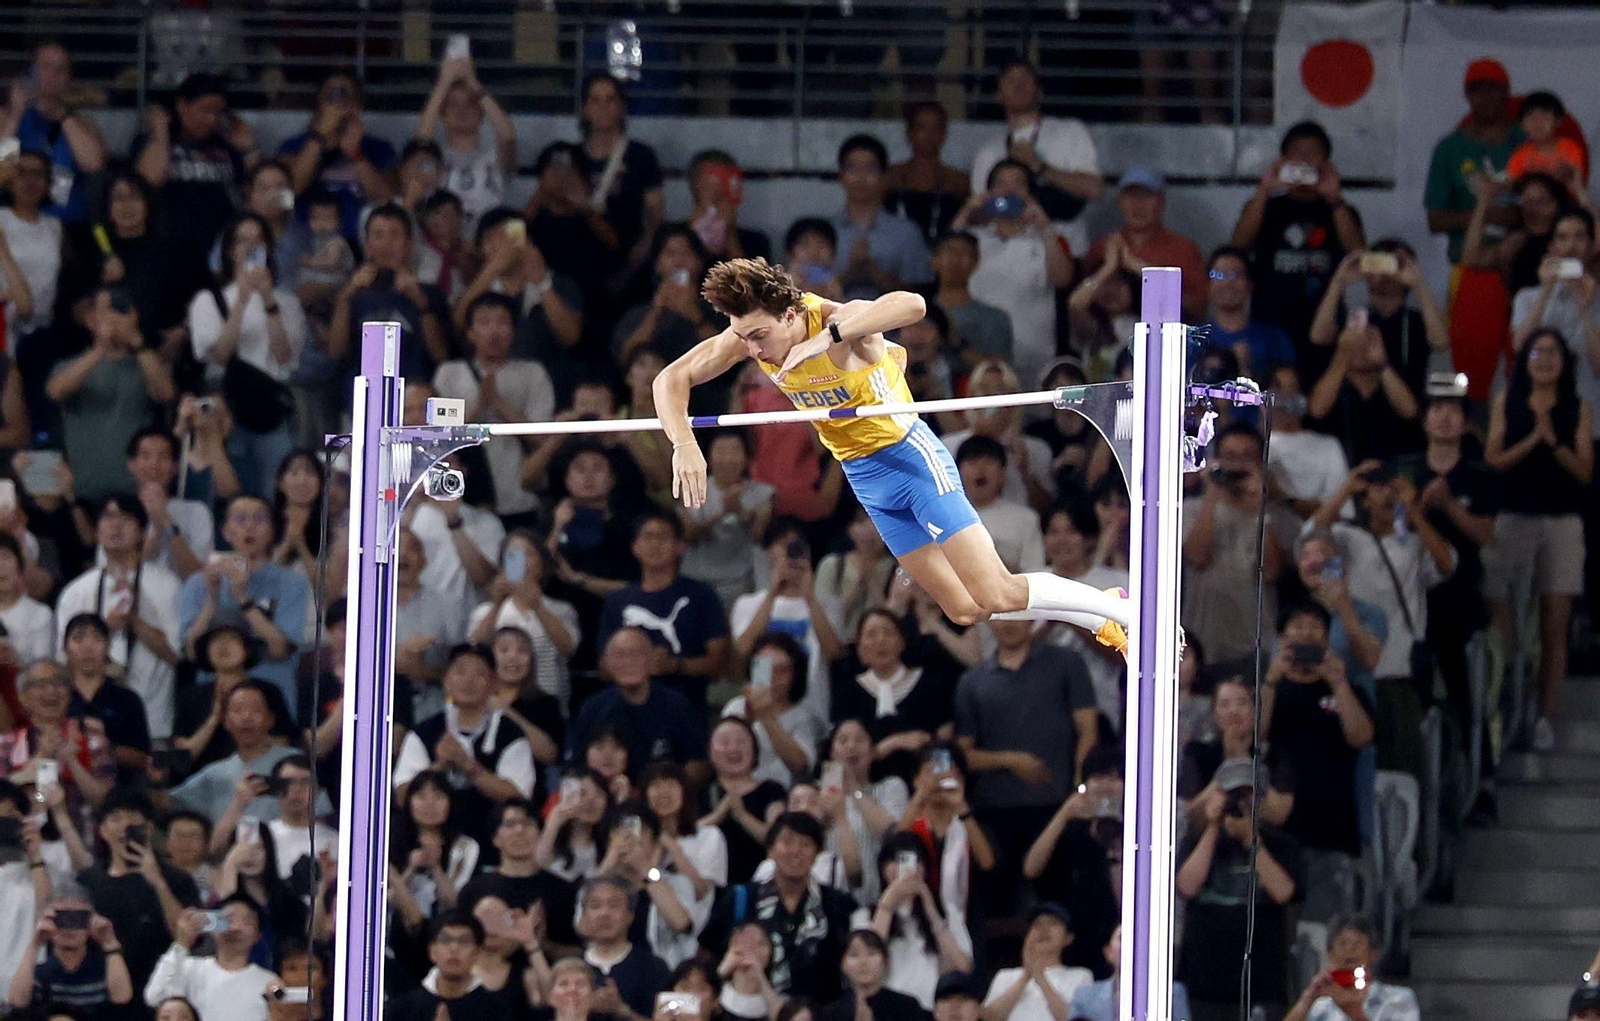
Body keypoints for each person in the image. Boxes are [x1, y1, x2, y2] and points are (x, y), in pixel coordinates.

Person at [658, 259, 1132, 656]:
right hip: (865, 478)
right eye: (743, 337)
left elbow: (913, 305)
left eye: (758, 334)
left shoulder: (839, 319)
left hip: (912, 459)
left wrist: (830, 336)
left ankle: (1119, 611)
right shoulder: (748, 338)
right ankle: (1103, 609)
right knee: (967, 609)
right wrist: (684, 443)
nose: (752, 349)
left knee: (997, 591)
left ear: (788, 314)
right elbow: (670, 380)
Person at [1485, 328, 1594, 751]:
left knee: (1555, 620)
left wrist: (1555, 443)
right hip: (1514, 516)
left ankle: (1545, 716)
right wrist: (1534, 437)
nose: (1544, 359)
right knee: (1500, 610)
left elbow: (1584, 469)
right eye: (1537, 351)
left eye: (1552, 352)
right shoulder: (1507, 403)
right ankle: (1508, 693)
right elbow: (1494, 458)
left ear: (1564, 362)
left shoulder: (1578, 407)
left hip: (1561, 519)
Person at [955, 618, 1096, 906]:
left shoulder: (1066, 663)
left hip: (1055, 805)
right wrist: (1010, 760)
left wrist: (1079, 785)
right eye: (1000, 615)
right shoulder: (973, 680)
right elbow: (962, 756)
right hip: (994, 811)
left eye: (1017, 613)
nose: (1009, 623)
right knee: (996, 907)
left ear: (1033, 617)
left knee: (1060, 906)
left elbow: (1088, 728)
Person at [1262, 603, 1373, 920]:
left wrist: (1338, 683)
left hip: (1332, 832)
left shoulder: (1347, 689)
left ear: (1327, 638)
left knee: (1324, 931)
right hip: (1278, 836)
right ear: (1282, 638)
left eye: (1314, 627)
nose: (1305, 633)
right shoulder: (1271, 690)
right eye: (1296, 626)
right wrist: (1271, 679)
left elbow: (1361, 737)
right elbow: (1255, 738)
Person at [188, 212, 309, 497]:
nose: (251, 247)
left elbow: (284, 356)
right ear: (230, 250)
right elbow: (219, 354)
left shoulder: (287, 303)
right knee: (226, 490)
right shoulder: (209, 300)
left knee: (274, 489)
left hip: (270, 408)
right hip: (226, 406)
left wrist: (268, 300)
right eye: (243, 240)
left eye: (259, 240)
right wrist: (241, 301)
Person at [1230, 121, 1365, 366]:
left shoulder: (1340, 210)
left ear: (1326, 162)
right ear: (1282, 160)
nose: (1304, 160)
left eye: (1313, 153)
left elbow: (1359, 257)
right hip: (1270, 323)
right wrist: (1265, 189)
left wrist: (1334, 197)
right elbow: (1237, 246)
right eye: (1297, 154)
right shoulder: (1267, 207)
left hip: (1324, 325)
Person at [54, 495, 183, 743]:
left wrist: (135, 620)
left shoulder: (167, 585)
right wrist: (104, 630)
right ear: (98, 531)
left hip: (152, 718)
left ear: (142, 532)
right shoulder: (76, 591)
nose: (115, 526)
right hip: (87, 721)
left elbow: (176, 656)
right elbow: (62, 660)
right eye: (108, 518)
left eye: (125, 519)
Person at [1175, 771, 1299, 1021]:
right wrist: (1212, 826)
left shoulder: (1282, 844)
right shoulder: (1196, 840)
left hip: (1261, 986)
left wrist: (1252, 841)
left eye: (1247, 797)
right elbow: (1186, 886)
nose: (1238, 805)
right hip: (1203, 985)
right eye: (1232, 796)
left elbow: (1283, 892)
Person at [179, 493, 313, 712]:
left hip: (271, 699)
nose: (249, 526)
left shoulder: (291, 583)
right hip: (213, 701)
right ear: (225, 531)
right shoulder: (200, 582)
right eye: (240, 519)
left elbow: (280, 649)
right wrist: (212, 601)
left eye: (259, 520)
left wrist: (243, 598)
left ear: (272, 531)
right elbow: (192, 652)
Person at [45, 287, 179, 503]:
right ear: (91, 320)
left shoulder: (146, 363)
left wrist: (137, 340)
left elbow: (166, 394)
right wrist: (101, 348)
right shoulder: (69, 365)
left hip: (139, 494)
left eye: (122, 310)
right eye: (109, 310)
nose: (116, 318)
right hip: (84, 493)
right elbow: (55, 391)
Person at [705, 813, 856, 1004]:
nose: (796, 851)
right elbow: (708, 955)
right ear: (771, 850)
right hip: (750, 1010)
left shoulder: (838, 904)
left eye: (805, 845)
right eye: (787, 842)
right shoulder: (740, 898)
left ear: (817, 854)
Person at [951, 162, 1075, 390]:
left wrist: (1044, 227)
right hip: (979, 354)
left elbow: (1063, 280)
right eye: (1001, 184)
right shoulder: (972, 240)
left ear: (1031, 193)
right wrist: (967, 212)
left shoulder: (1047, 241)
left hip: (1033, 353)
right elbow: (946, 265)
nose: (1009, 190)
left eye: (1018, 183)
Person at [434, 292, 557, 520]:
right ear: (470, 332)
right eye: (484, 322)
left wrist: (500, 405)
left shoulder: (533, 374)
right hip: (465, 496)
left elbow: (543, 438)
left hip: (520, 494)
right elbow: (438, 440)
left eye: (502, 322)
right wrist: (477, 407)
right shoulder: (448, 374)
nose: (493, 331)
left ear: (513, 330)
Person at [597, 511, 730, 709]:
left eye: (664, 537)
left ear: (681, 547)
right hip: (627, 708)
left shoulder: (701, 595)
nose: (655, 545)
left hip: (687, 706)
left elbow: (718, 663)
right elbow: (603, 665)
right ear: (634, 547)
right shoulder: (618, 601)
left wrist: (674, 665)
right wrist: (636, 665)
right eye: (648, 537)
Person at [968, 60, 1103, 255]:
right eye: (1010, 80)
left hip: (1067, 248)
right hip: (1009, 256)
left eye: (1025, 79)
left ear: (1039, 90)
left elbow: (1095, 190)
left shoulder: (1070, 131)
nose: (1018, 85)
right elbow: (979, 211)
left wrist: (1039, 167)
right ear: (998, 94)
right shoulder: (988, 152)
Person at [1183, 424, 1291, 663]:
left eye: (1247, 457)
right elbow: (1197, 557)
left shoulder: (1275, 515)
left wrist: (1259, 509)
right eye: (1230, 457)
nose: (1238, 464)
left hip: (1255, 645)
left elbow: (1272, 571)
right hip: (1203, 645)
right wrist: (1212, 492)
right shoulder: (1191, 510)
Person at [78, 790, 202, 994]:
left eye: (133, 818)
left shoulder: (176, 878)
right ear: (102, 830)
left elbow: (189, 936)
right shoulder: (90, 881)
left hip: (164, 988)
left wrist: (158, 882)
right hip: (105, 990)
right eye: (115, 818)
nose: (125, 826)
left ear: (149, 828)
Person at [131, 73, 244, 292]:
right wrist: (161, 131)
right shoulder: (155, 142)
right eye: (204, 110)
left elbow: (244, 193)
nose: (212, 119)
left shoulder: (225, 146)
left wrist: (249, 148)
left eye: (218, 112)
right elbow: (146, 182)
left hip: (215, 254)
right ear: (182, 106)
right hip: (167, 252)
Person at [328, 203, 450, 382]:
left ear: (409, 244)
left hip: (414, 399)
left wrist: (420, 302)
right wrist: (347, 296)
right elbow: (336, 353)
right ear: (367, 244)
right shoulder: (351, 295)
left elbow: (441, 356)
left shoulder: (430, 294)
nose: (386, 244)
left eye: (395, 235)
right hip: (363, 397)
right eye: (378, 235)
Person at [568, 627, 710, 776]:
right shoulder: (593, 708)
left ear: (651, 659)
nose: (628, 661)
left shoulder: (677, 705)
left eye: (636, 654)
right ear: (608, 663)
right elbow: (575, 766)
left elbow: (697, 762)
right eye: (620, 655)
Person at [1425, 59, 1522, 271]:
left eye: (1494, 89)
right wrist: (1485, 215)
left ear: (1506, 93)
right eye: (1478, 90)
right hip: (1469, 266)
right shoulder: (1450, 148)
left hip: (1522, 266)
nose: (1486, 97)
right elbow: (1435, 221)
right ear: (1467, 95)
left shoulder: (1526, 142)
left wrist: (1519, 217)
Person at [467, 532, 581, 711]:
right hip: (494, 705)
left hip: (548, 704)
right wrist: (497, 604)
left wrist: (537, 606)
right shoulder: (485, 612)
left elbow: (568, 648)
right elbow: (475, 650)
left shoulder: (561, 610)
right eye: (513, 555)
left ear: (542, 564)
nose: (521, 561)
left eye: (528, 554)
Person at [278, 72, 397, 240]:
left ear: (357, 104)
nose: (338, 102)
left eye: (345, 95)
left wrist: (357, 155)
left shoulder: (378, 148)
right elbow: (287, 194)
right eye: (331, 95)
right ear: (319, 103)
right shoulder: (293, 146)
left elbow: (388, 201)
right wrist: (318, 139)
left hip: (362, 242)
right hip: (309, 243)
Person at [1, 42, 107, 223]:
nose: (53, 75)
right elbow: (2, 168)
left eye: (61, 69)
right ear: (31, 72)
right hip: (17, 226)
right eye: (46, 67)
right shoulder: (7, 117)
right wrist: (16, 114)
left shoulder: (82, 123)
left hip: (68, 226)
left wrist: (64, 116)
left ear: (69, 78)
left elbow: (94, 164)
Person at [1085, 167, 1207, 318]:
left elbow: (1198, 308)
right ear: (1120, 201)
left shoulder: (1184, 249)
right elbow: (1081, 305)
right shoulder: (1101, 247)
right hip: (1110, 338)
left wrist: (1135, 265)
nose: (1138, 203)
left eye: (1147, 195)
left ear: (1162, 203)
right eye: (1131, 195)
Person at [416, 50, 516, 229]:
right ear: (443, 114)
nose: (462, 110)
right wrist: (443, 82)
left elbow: (507, 136)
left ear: (481, 113)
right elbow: (421, 142)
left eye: (471, 103)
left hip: (488, 242)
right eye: (453, 104)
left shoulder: (494, 156)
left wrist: (473, 83)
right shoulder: (434, 157)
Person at [573, 73, 665, 265]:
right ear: (585, 108)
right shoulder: (572, 157)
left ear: (622, 107)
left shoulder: (641, 156)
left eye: (610, 99)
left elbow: (655, 215)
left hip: (628, 254)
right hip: (578, 257)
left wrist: (640, 254)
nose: (603, 108)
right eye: (595, 100)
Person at [831, 136, 934, 304]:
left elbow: (920, 294)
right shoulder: (826, 232)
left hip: (893, 327)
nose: (860, 177)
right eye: (852, 168)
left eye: (870, 169)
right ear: (841, 176)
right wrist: (852, 273)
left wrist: (875, 272)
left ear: (885, 176)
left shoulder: (906, 233)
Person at [679, 429, 775, 609]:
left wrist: (740, 511)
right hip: (697, 580)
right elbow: (690, 535)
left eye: (735, 451)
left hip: (741, 582)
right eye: (721, 451)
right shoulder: (692, 489)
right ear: (708, 457)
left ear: (746, 458)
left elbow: (759, 536)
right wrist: (722, 513)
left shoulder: (762, 493)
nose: (728, 459)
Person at [7, 883, 134, 1017]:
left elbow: (122, 999)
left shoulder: (106, 970)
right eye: (61, 918)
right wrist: (35, 943)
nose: (69, 927)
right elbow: (17, 1002)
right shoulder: (40, 973)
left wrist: (109, 943)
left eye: (79, 918)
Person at [723, 634, 825, 789]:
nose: (773, 677)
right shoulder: (735, 708)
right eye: (765, 667)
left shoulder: (803, 717)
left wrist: (766, 717)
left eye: (782, 670)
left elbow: (801, 765)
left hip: (782, 793)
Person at [62, 613, 151, 778]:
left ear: (108, 646)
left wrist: (103, 746)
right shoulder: (57, 697)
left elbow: (143, 758)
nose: (87, 647)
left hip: (118, 791)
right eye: (78, 639)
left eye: (97, 639)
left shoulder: (127, 699)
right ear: (65, 647)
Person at [1282, 916, 1419, 1021]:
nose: (1350, 949)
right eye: (1342, 943)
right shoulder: (1320, 1006)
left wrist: (1354, 1013)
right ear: (1329, 953)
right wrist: (1307, 999)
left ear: (1374, 954)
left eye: (1358, 943)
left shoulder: (1399, 999)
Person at [387, 912, 519, 1020]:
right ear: (432, 952)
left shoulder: (496, 1010)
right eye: (445, 941)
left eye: (464, 941)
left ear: (477, 953)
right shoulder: (403, 1008)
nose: (454, 948)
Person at [577, 873, 673, 1018]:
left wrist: (621, 1010)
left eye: (614, 906)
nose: (604, 914)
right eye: (595, 906)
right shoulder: (572, 966)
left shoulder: (653, 968)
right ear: (583, 915)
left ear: (630, 915)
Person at [126, 427, 215, 579]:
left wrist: (167, 522)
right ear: (132, 465)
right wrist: (155, 531)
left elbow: (197, 576)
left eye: (163, 457)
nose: (154, 464)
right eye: (146, 456)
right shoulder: (119, 511)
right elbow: (117, 573)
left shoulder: (196, 511)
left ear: (175, 466)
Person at [980, 904, 1093, 1021]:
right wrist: (1025, 977)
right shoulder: (1005, 975)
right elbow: (988, 1017)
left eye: (1053, 923)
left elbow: (1074, 1018)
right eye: (1037, 924)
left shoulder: (1080, 976)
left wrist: (1041, 979)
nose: (1044, 929)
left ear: (1068, 938)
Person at [1199, 246, 1297, 378]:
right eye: (1218, 275)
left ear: (1250, 284)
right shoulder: (1195, 338)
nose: (1228, 283)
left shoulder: (1274, 338)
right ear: (1207, 284)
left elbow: (1288, 388)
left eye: (1236, 275)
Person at [885, 103, 971, 247]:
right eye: (922, 128)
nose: (929, 135)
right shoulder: (890, 176)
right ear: (909, 133)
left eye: (936, 128)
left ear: (944, 134)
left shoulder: (959, 181)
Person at [954, 437, 1043, 574]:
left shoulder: (1025, 518)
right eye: (972, 463)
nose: (980, 469)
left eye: (989, 463)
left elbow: (1035, 572)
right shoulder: (945, 515)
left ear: (1002, 472)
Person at [1067, 925, 1192, 1021]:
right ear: (1108, 952)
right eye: (1122, 937)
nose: (1131, 943)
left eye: (1139, 937)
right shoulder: (1086, 996)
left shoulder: (1171, 993)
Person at [0, 148, 60, 346]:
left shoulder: (55, 226)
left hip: (41, 332)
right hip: (5, 323)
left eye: (38, 174)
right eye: (22, 173)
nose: (30, 181)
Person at [929, 232, 1014, 369]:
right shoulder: (916, 314)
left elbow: (1000, 370)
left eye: (963, 253)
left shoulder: (996, 318)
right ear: (934, 260)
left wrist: (955, 343)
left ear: (976, 261)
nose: (955, 260)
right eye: (949, 252)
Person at [683, 150, 772, 266]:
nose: (719, 195)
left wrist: (729, 232)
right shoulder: (669, 237)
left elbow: (749, 281)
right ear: (695, 188)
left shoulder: (756, 242)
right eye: (710, 186)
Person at [819, 929, 929, 1021]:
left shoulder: (907, 1007)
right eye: (854, 955)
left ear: (886, 963)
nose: (863, 962)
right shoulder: (829, 1014)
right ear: (842, 965)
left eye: (871, 954)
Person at [1506, 90, 1586, 188]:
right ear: (1522, 125)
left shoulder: (1570, 148)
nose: (1538, 123)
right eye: (1531, 116)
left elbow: (1576, 182)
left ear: (1558, 121)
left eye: (1545, 116)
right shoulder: (1519, 156)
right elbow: (1513, 187)